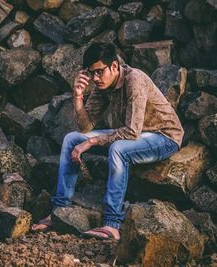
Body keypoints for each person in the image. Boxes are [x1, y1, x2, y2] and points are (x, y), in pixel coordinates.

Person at [31, 42, 184, 241]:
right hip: (136, 134)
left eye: (99, 72)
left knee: (118, 149)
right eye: (90, 73)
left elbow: (130, 132)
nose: (95, 78)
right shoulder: (102, 85)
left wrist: (92, 142)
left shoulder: (134, 80)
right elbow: (85, 128)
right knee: (71, 139)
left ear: (114, 66)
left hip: (163, 136)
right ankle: (59, 211)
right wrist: (77, 98)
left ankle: (112, 224)